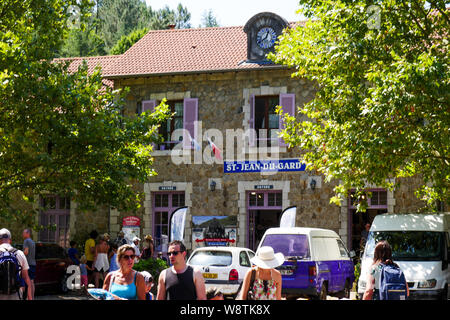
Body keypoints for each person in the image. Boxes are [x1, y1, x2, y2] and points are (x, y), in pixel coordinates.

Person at [0, 228, 32, 300]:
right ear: (10, 240)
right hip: (16, 295)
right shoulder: (20, 253)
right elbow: (26, 277)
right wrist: (30, 297)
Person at [22, 228, 36, 300]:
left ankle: (28, 297)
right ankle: (32, 297)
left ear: (28, 233)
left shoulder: (26, 241)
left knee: (27, 281)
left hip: (28, 264)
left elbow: (26, 252)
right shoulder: (33, 242)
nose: (22, 234)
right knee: (32, 281)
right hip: (33, 263)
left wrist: (20, 254)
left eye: (24, 233)